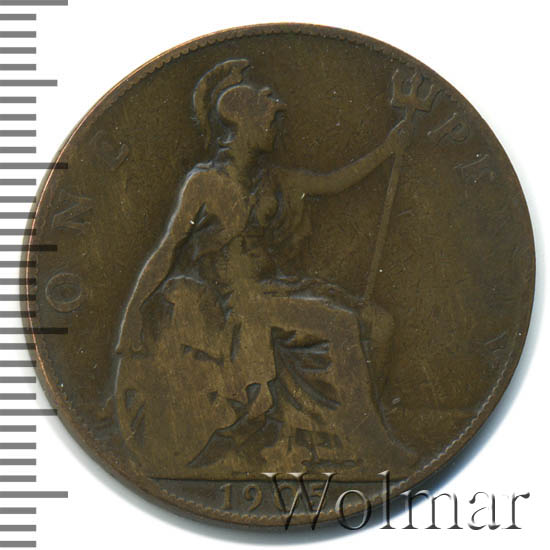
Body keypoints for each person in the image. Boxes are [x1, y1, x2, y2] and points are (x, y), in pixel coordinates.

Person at [114, 59, 414, 477]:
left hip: (277, 291)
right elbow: (167, 250)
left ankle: (341, 440)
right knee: (341, 324)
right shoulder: (205, 184)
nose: (276, 126)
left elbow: (334, 182)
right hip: (239, 305)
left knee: (379, 325)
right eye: (268, 118)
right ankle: (373, 448)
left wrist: (388, 149)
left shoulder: (273, 180)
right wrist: (132, 314)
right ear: (240, 123)